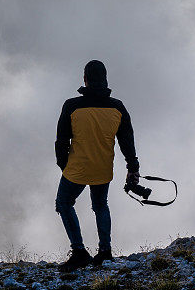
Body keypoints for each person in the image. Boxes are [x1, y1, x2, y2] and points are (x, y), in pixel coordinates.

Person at [55, 60, 140, 270]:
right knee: (100, 205)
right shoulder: (117, 108)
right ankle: (105, 252)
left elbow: (62, 141)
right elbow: (127, 141)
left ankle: (79, 251)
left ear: (85, 79)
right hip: (103, 169)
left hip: (77, 169)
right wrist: (133, 168)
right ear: (105, 79)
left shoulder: (72, 106)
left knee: (64, 203)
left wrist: (64, 166)